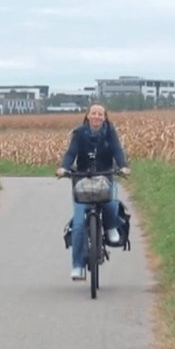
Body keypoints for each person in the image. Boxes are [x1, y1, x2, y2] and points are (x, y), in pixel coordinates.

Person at [56, 102, 131, 280]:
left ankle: (112, 226)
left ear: (104, 118)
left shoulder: (110, 132)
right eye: (93, 114)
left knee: (111, 203)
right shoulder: (80, 133)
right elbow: (71, 153)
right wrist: (64, 168)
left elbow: (117, 151)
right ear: (88, 116)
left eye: (100, 114)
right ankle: (78, 266)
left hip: (105, 176)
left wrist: (123, 166)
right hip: (82, 178)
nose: (97, 117)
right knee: (79, 224)